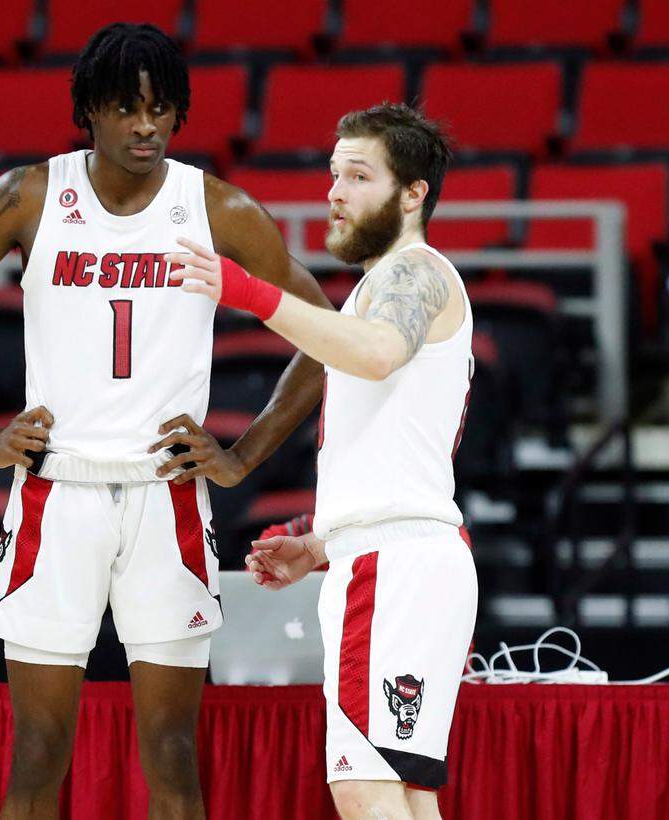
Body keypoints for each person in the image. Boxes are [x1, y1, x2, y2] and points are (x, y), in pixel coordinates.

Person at [0, 22, 331, 820]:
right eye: (127, 109)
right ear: (89, 111)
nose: (147, 127)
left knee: (171, 754)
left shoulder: (217, 207)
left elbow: (323, 329)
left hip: (165, 496)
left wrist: (242, 456)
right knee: (38, 753)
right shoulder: (31, 195)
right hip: (54, 496)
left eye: (163, 109)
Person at [165, 102, 477, 820]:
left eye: (359, 176)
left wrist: (248, 292)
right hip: (399, 554)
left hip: (394, 566)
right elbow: (396, 448)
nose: (335, 191)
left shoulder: (414, 273)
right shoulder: (389, 285)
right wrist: (320, 542)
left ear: (412, 193)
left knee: (364, 787)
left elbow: (373, 353)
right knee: (403, 793)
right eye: (334, 174)